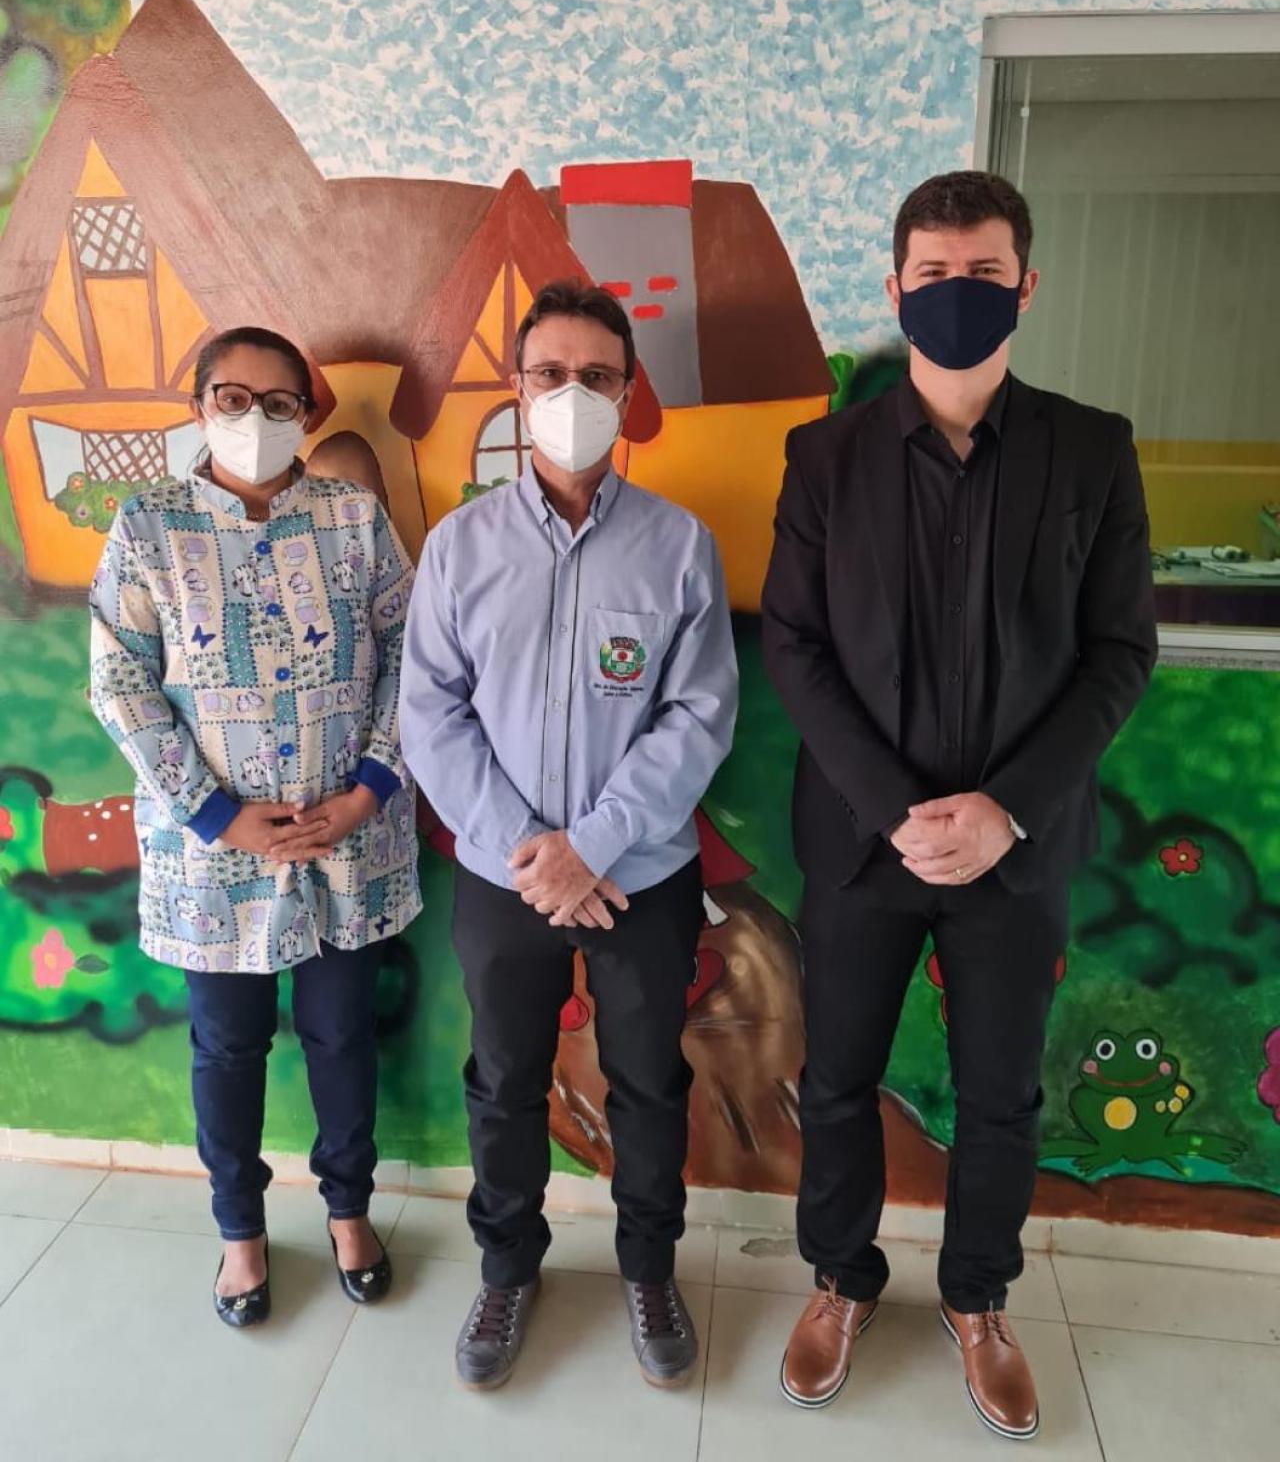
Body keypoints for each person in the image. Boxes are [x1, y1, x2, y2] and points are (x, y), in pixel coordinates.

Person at [761, 172, 1157, 1439]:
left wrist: (1004, 810)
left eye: (981, 273)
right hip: (859, 842)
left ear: (1024, 286)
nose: (955, 294)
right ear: (895, 288)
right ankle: (839, 1279)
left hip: (1013, 850)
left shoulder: (1090, 449)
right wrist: (893, 807)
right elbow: (793, 644)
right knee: (837, 1080)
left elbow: (1119, 651)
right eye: (931, 274)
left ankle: (976, 1297)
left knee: (1000, 1093)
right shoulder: (824, 457)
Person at [399, 280, 737, 1392]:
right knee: (504, 1080)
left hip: (641, 873)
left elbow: (699, 714)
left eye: (597, 376)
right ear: (517, 385)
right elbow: (430, 714)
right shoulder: (460, 546)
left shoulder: (677, 546)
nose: (572, 393)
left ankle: (649, 1268)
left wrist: (592, 843)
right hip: (505, 878)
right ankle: (507, 1268)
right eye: (550, 373)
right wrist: (530, 850)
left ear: (627, 394)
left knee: (648, 1080)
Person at [88, 326, 419, 1328]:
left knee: (341, 1033)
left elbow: (415, 656)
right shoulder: (148, 527)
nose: (257, 418)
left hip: (345, 838)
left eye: (281, 402)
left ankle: (349, 1211)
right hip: (214, 860)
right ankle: (240, 1230)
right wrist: (220, 816)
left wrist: (368, 787)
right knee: (227, 1047)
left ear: (306, 415)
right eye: (234, 396)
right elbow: (120, 684)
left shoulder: (354, 519)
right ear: (199, 405)